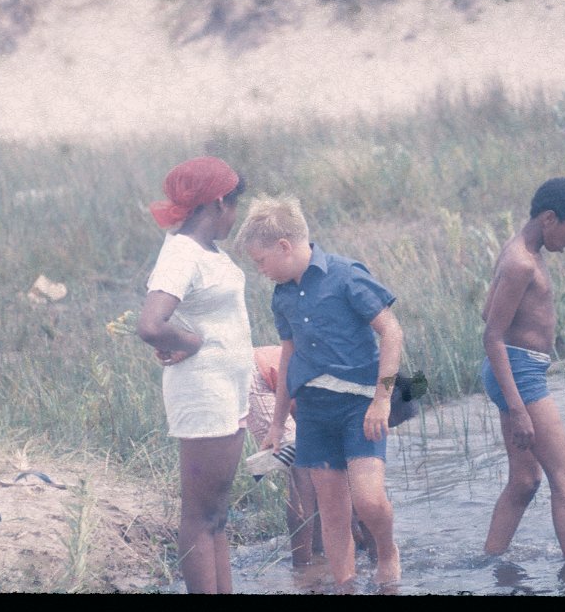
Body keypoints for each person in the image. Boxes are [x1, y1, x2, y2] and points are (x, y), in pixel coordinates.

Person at [234, 195, 403, 589]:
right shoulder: (283, 295)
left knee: (369, 500)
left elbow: (392, 331)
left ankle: (387, 548)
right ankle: (345, 583)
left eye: (260, 261)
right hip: (312, 412)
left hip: (359, 407)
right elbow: (288, 356)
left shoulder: (346, 275)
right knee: (332, 513)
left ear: (284, 246)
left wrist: (382, 399)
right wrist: (277, 423)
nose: (260, 270)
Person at [136, 156, 252, 594]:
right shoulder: (182, 251)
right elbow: (150, 323)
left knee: (216, 515)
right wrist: (191, 342)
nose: (235, 216)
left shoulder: (208, 250)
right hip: (204, 392)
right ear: (220, 201)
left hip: (226, 391)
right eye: (234, 205)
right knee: (201, 516)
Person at [480, 177, 565, 560]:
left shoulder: (519, 251)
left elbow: (486, 311)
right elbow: (492, 335)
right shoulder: (522, 262)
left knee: (526, 481)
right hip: (519, 375)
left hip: (515, 371)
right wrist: (517, 407)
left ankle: (490, 561)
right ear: (549, 218)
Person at [245, 345, 323, 566]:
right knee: (299, 466)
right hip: (258, 374)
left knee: (312, 470)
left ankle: (317, 558)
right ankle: (303, 568)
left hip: (274, 375)